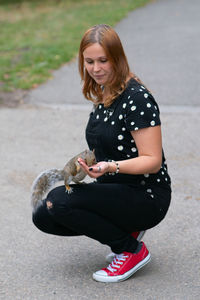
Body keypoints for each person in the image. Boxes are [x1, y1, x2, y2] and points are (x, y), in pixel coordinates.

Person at [32, 24, 171, 283]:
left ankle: (131, 251)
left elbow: (152, 162)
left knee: (59, 201)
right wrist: (87, 166)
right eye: (89, 61)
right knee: (44, 214)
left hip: (147, 195)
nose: (96, 69)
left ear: (118, 58)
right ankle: (126, 231)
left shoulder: (137, 99)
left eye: (103, 60)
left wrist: (110, 167)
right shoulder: (104, 92)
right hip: (117, 189)